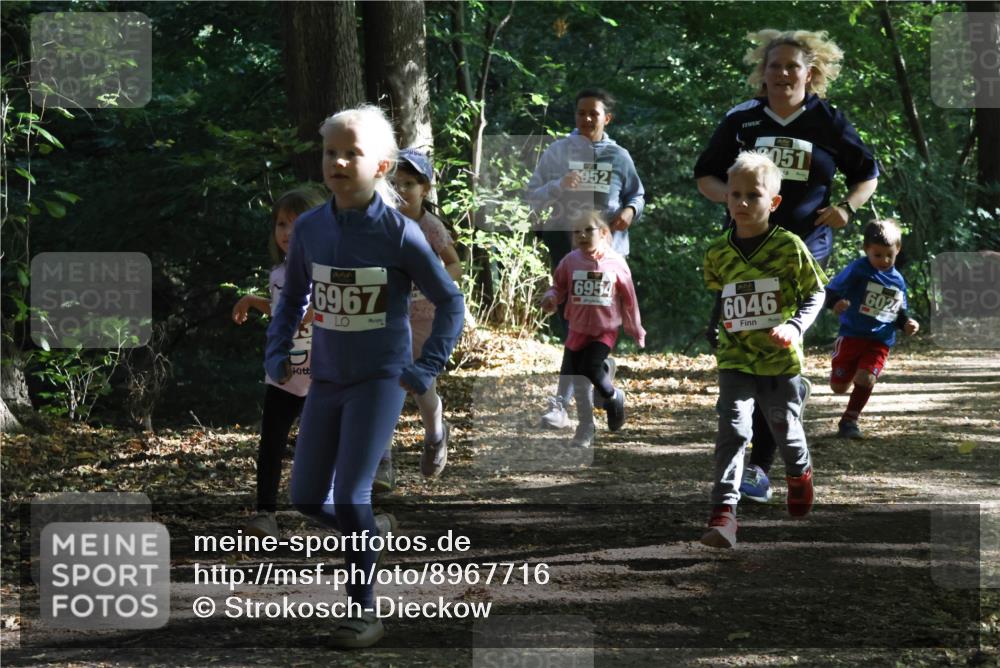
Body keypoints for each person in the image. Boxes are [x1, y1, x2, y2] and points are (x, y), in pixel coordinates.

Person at [265, 105, 464, 647]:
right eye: (331, 152)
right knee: (307, 497)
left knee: (352, 496)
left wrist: (426, 368)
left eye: (351, 152)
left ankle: (364, 612)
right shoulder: (310, 228)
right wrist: (277, 351)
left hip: (380, 379)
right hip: (326, 379)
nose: (338, 161)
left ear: (380, 164)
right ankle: (368, 536)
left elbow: (451, 302)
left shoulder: (399, 234)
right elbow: (293, 298)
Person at [694, 29, 879, 503]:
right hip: (747, 247)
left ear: (810, 72)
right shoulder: (742, 119)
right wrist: (739, 202)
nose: (782, 74)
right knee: (745, 340)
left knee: (767, 340)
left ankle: (757, 468)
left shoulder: (828, 121)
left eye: (792, 66)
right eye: (774, 66)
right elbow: (705, 176)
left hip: (803, 245)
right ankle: (790, 390)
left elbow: (867, 174)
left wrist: (847, 208)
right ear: (764, 71)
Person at [700, 152, 826, 549]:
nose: (741, 203)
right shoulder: (717, 252)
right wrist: (714, 326)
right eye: (734, 194)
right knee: (733, 430)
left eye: (752, 196)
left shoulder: (789, 247)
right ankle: (724, 514)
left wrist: (794, 326)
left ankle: (799, 472)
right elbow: (722, 295)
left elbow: (816, 292)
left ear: (773, 203)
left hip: (778, 359)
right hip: (736, 359)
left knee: (784, 430)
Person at [527, 87, 645, 430]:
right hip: (568, 250)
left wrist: (630, 211)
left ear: (606, 118)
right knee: (573, 329)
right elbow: (531, 194)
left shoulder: (618, 155)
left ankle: (598, 377)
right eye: (581, 113)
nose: (586, 119)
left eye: (593, 113)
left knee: (599, 323)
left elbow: (637, 193)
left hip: (609, 255)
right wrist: (557, 186)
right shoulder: (558, 152)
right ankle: (566, 404)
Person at [231, 187, 327, 539]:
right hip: (284, 376)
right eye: (281, 224)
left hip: (322, 378)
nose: (288, 233)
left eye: (298, 224)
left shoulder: (330, 271)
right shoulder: (278, 274)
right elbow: (283, 311)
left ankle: (338, 511)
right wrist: (252, 300)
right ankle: (265, 514)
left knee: (321, 446)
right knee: (270, 443)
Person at [385, 147, 462, 480]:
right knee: (385, 383)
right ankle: (380, 457)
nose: (401, 191)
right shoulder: (382, 221)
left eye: (409, 184)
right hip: (387, 316)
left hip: (424, 318)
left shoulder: (430, 227)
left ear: (425, 189)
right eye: (395, 183)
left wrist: (437, 283)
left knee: (420, 385)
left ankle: (435, 435)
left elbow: (455, 262)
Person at [541, 210, 645, 448]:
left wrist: (636, 328)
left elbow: (630, 299)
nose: (582, 235)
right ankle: (585, 428)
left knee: (588, 368)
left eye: (589, 230)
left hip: (604, 330)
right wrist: (551, 298)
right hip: (577, 329)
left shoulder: (616, 262)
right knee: (578, 380)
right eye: (577, 232)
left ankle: (613, 395)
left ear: (604, 233)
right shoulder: (570, 261)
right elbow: (558, 287)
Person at [824, 219, 919, 439]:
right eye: (878, 255)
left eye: (889, 255)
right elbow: (830, 291)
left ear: (898, 250)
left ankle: (849, 420)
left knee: (866, 378)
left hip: (880, 339)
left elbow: (898, 312)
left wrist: (906, 323)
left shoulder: (897, 280)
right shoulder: (857, 270)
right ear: (867, 249)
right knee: (838, 387)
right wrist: (836, 303)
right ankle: (845, 374)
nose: (884, 260)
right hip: (851, 335)